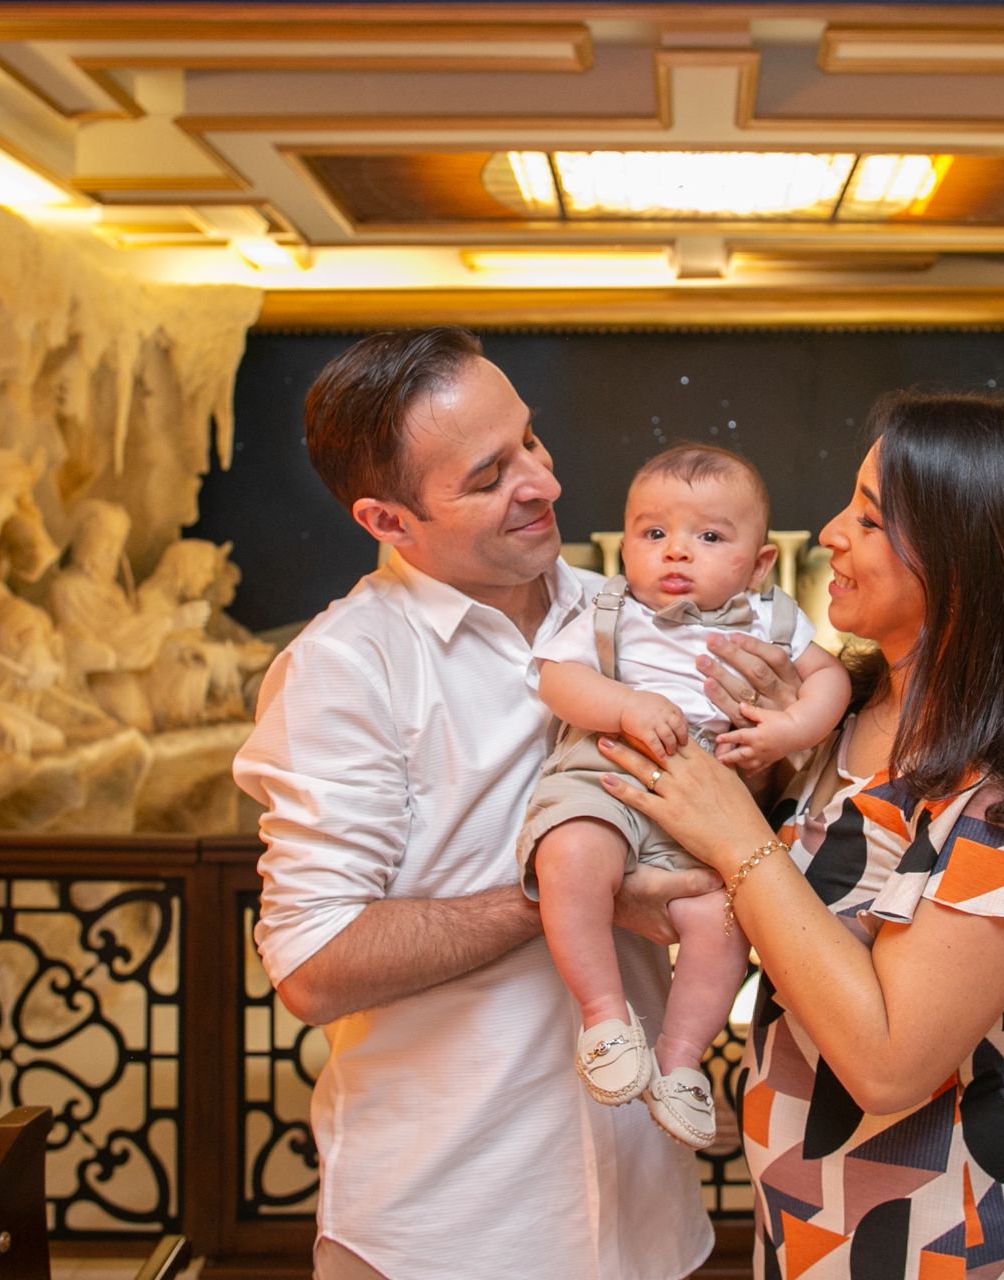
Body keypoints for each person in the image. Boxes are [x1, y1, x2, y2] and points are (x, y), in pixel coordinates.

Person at [235, 328, 796, 1279]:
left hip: (652, 1219)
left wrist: (767, 746)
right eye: (488, 475)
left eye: (530, 443)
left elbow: (741, 814)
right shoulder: (344, 669)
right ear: (387, 520)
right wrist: (565, 894)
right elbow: (314, 965)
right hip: (443, 1230)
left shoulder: (642, 610)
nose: (542, 482)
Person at [591, 389, 1004, 1277]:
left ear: (968, 557)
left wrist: (738, 836)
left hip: (941, 1238)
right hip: (806, 1221)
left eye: (870, 517)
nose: (833, 533)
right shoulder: (839, 715)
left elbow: (890, 1066)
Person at [517, 444, 851, 1149]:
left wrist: (786, 728)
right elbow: (555, 679)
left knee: (723, 916)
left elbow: (831, 682)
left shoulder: (771, 620)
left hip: (709, 801)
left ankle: (680, 1060)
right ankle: (605, 1015)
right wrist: (624, 705)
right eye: (653, 533)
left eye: (708, 537)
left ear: (759, 564)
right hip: (607, 773)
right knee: (572, 853)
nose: (675, 553)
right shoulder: (610, 609)